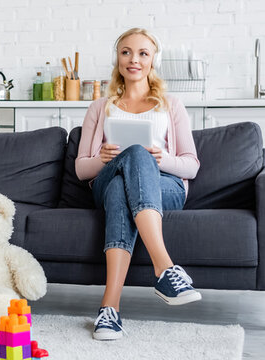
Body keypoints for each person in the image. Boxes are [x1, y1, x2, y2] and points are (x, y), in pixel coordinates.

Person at [75, 28, 201, 341]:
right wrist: (102, 159)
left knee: (125, 183)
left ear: (152, 60)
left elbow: (192, 165)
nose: (134, 60)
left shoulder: (171, 105)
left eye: (143, 53)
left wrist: (162, 159)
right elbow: (80, 169)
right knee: (127, 162)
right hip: (106, 182)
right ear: (117, 59)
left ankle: (109, 310)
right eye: (126, 52)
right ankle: (165, 269)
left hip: (164, 186)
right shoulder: (99, 107)